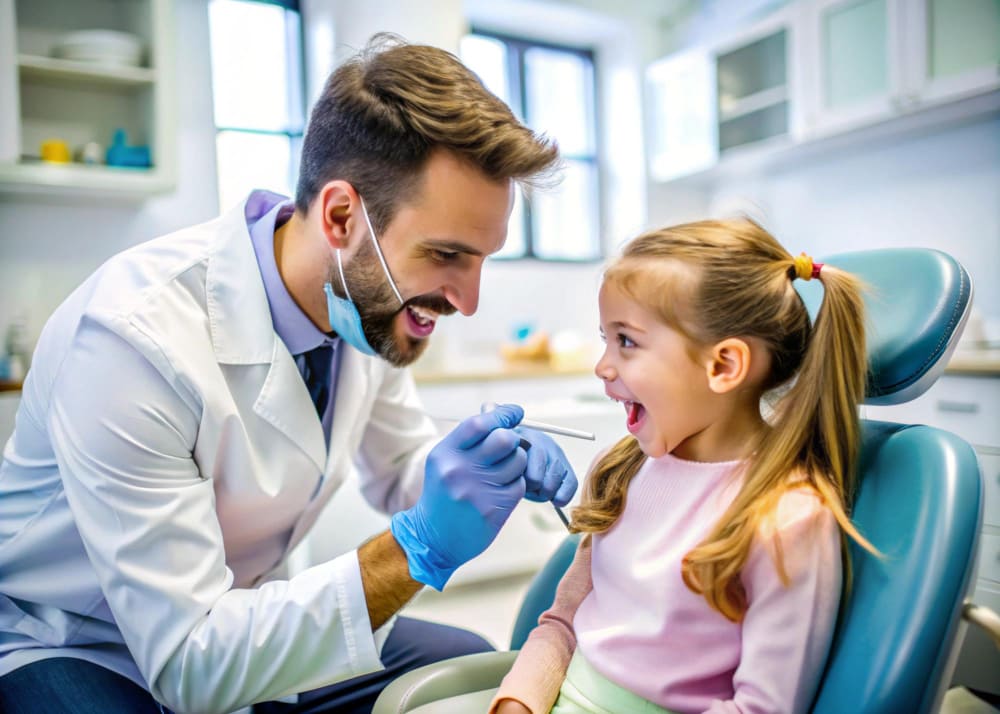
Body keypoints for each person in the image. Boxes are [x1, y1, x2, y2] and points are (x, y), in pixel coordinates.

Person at [0, 34, 578, 714]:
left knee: (463, 671)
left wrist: (477, 469)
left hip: (243, 619)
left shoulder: (362, 309)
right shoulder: (134, 337)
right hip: (80, 640)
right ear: (341, 217)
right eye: (446, 254)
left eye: (483, 258)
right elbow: (189, 662)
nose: (468, 300)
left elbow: (403, 470)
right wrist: (415, 548)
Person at [491, 218, 876, 714]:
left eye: (626, 341)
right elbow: (564, 622)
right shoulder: (621, 471)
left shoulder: (785, 519)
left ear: (723, 366)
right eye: (605, 338)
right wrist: (517, 703)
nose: (602, 365)